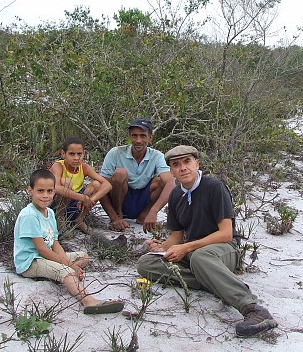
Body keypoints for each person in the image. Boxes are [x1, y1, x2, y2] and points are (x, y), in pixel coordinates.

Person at [136, 145, 278, 337]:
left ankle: (252, 308)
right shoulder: (176, 194)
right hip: (195, 253)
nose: (183, 168)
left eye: (187, 162)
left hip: (223, 249)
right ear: (171, 171)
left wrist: (186, 247)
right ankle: (213, 280)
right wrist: (162, 248)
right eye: (176, 165)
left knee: (200, 258)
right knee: (146, 263)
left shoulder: (214, 187)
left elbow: (226, 234)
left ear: (197, 164)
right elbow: (177, 236)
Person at [13, 169, 124, 314]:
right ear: (30, 191)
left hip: (45, 257)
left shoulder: (49, 213)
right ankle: (88, 301)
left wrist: (68, 263)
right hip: (30, 261)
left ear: (54, 192)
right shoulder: (29, 215)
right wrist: (69, 266)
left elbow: (54, 243)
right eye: (40, 191)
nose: (45, 195)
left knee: (83, 257)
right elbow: (43, 250)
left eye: (49, 191)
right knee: (66, 271)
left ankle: (59, 275)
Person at [99, 118, 175, 233]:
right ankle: (119, 215)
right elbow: (101, 185)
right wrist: (113, 217)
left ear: (150, 137)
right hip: (121, 199)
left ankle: (144, 215)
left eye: (143, 136)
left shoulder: (157, 156)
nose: (138, 140)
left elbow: (170, 182)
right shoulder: (116, 152)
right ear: (129, 136)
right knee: (120, 174)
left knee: (161, 180)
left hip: (143, 200)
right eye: (134, 136)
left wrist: (154, 211)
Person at [49, 137, 112, 234]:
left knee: (96, 184)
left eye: (79, 154)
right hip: (57, 204)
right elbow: (56, 188)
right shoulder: (58, 166)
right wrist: (82, 197)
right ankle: (60, 219)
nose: (76, 158)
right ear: (63, 154)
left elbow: (107, 185)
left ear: (84, 154)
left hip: (76, 204)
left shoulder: (84, 167)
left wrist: (90, 199)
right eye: (72, 154)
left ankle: (79, 219)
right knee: (67, 182)